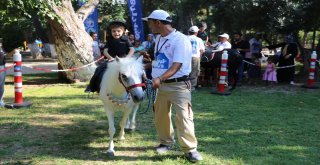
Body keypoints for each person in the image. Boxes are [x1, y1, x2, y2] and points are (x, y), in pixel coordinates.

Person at [142, 9, 202, 162]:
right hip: (160, 86)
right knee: (160, 116)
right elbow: (161, 60)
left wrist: (160, 78)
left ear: (158, 22)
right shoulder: (159, 38)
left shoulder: (180, 39)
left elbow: (176, 65)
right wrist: (145, 66)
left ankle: (190, 149)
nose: (149, 25)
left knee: (184, 116)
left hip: (178, 85)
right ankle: (165, 142)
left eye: (150, 22)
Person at [85, 20, 134, 93]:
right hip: (112, 60)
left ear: (123, 31)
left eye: (118, 31)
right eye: (114, 31)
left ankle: (143, 85)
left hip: (125, 60)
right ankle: (91, 87)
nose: (116, 33)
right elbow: (105, 51)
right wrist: (111, 58)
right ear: (111, 32)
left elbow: (132, 49)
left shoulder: (126, 39)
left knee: (137, 70)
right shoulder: (110, 40)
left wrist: (127, 58)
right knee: (99, 69)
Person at [187, 26, 205, 91]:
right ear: (196, 32)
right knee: (194, 72)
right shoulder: (199, 39)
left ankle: (184, 86)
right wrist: (199, 57)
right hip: (195, 57)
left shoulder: (184, 38)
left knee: (185, 72)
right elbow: (202, 50)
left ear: (189, 32)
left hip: (185, 57)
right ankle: (192, 87)